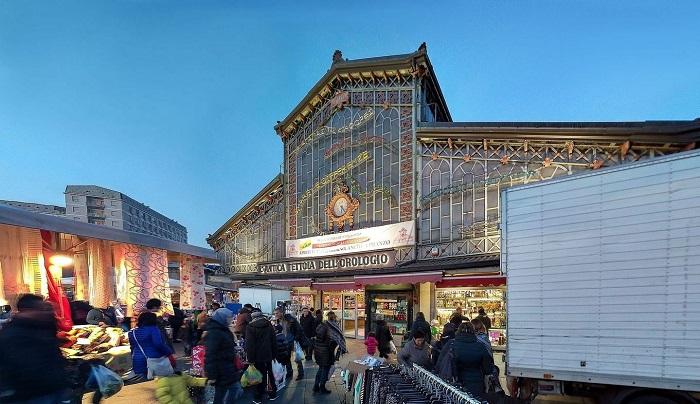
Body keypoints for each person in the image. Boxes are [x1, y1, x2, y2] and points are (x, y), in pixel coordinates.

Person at [0, 294, 69, 403]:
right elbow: (22, 367)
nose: (43, 312)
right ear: (25, 310)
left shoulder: (40, 327)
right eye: (40, 309)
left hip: (54, 388)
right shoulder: (12, 334)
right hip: (33, 395)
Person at [205, 308, 243, 404]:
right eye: (229, 317)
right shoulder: (215, 332)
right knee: (230, 391)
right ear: (222, 318)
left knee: (224, 393)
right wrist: (212, 375)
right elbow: (210, 354)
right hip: (221, 369)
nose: (231, 319)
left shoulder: (223, 329)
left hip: (227, 368)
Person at [128, 312, 174, 380]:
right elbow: (158, 344)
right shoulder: (154, 329)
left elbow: (132, 347)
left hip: (138, 360)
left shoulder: (132, 332)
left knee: (144, 383)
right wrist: (168, 352)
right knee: (160, 382)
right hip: (154, 359)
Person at [245, 309, 278, 403]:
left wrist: (250, 359)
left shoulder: (250, 327)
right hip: (268, 354)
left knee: (257, 376)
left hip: (257, 356)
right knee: (269, 373)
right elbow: (273, 341)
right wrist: (274, 354)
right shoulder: (268, 325)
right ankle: (272, 393)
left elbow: (249, 345)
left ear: (253, 317)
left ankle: (258, 396)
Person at [453, 321, 493, 397]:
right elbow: (488, 369)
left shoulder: (452, 345)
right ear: (473, 331)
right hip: (476, 382)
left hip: (457, 382)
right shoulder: (480, 346)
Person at [313, 311, 344, 394]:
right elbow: (334, 341)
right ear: (333, 317)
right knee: (325, 369)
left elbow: (319, 337)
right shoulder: (332, 327)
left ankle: (316, 386)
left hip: (318, 350)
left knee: (321, 368)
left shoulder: (322, 325)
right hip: (326, 352)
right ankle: (322, 387)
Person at [273, 306, 308, 381]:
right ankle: (289, 372)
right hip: (285, 342)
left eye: (277, 313)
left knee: (297, 358)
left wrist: (296, 338)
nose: (275, 315)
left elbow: (299, 329)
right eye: (275, 313)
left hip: (293, 341)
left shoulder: (290, 319)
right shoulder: (277, 321)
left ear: (282, 313)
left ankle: (300, 373)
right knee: (286, 357)